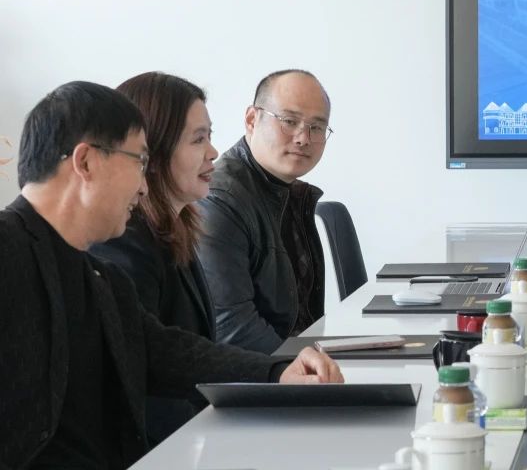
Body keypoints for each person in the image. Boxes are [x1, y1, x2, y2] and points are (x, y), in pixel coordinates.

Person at [0, 81, 342, 470]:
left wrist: (277, 371)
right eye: (139, 161)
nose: (144, 185)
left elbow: (163, 351)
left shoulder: (96, 275)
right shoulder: (9, 251)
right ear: (86, 162)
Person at [88, 73, 219, 444]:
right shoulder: (124, 243)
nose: (213, 152)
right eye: (198, 139)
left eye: (210, 136)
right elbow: (145, 372)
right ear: (154, 154)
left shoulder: (175, 227)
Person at [197, 69, 332, 352]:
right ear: (251, 119)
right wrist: (300, 366)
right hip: (259, 372)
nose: (303, 138)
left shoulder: (290, 192)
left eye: (317, 127)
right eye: (289, 121)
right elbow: (231, 328)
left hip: (291, 361)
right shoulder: (219, 200)